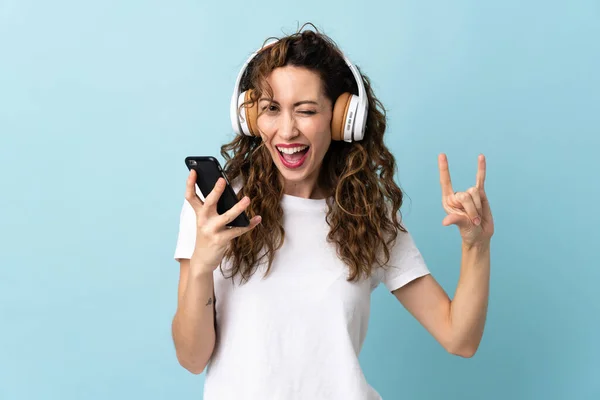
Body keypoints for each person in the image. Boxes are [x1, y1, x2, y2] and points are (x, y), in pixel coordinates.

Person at [171, 24, 494, 400]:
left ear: (341, 119)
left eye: (306, 111)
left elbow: (460, 338)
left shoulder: (366, 216)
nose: (287, 130)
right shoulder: (216, 208)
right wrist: (202, 266)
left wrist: (477, 245)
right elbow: (192, 358)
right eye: (271, 109)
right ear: (250, 116)